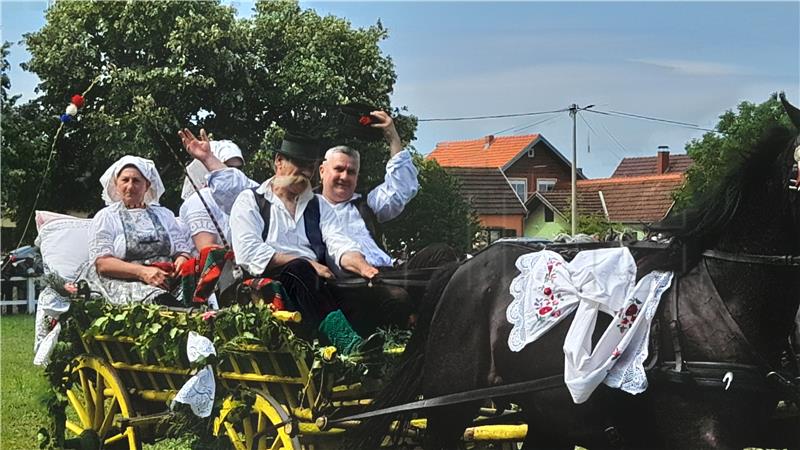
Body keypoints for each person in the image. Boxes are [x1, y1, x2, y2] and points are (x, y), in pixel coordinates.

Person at [228, 133, 381, 355]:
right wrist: (307, 263)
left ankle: (375, 350)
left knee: (364, 291)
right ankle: (347, 344)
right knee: (300, 269)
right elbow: (248, 252)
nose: (306, 173)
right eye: (299, 164)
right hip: (273, 278)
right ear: (278, 161)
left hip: (316, 282)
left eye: (310, 166)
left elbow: (339, 242)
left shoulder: (318, 205)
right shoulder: (250, 200)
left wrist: (363, 267)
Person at [318, 111, 459, 333]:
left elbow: (401, 189)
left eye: (351, 172)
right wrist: (366, 269)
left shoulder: (365, 204)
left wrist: (392, 136)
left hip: (389, 273)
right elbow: (337, 248)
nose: (344, 177)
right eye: (339, 169)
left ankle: (445, 324)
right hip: (353, 285)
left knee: (441, 254)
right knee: (398, 298)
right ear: (322, 171)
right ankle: (414, 338)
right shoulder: (311, 209)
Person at [84, 156, 193, 305]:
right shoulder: (107, 217)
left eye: (136, 181)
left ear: (147, 185)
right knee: (160, 300)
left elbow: (181, 250)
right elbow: (102, 263)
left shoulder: (164, 215)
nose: (130, 186)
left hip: (166, 280)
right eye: (125, 180)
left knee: (196, 290)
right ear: (116, 184)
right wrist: (143, 272)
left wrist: (181, 260)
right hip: (123, 282)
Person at [178, 130, 244, 250]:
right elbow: (208, 252)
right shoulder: (200, 201)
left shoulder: (243, 199)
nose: (234, 173)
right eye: (228, 167)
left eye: (238, 169)